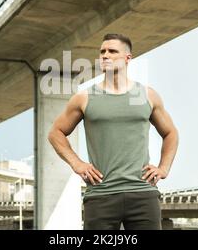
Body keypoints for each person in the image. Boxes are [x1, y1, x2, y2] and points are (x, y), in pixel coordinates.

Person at [47, 33, 179, 230]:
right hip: (101, 195)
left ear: (127, 58)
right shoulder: (84, 98)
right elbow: (55, 132)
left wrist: (163, 168)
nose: (105, 56)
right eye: (102, 52)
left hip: (142, 194)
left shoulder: (147, 95)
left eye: (112, 51)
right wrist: (77, 164)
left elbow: (171, 133)